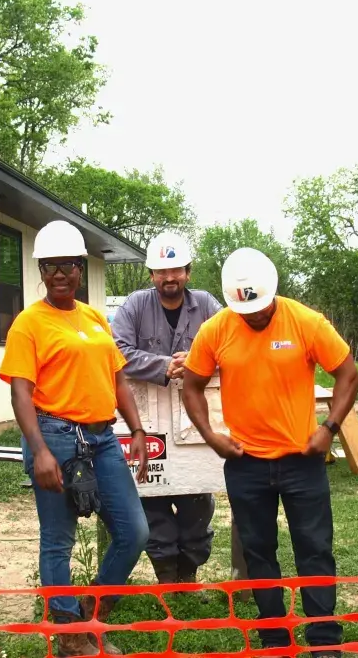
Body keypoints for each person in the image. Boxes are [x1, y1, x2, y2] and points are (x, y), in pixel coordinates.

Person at [181, 247, 358, 657]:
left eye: (261, 309)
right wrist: (211, 435)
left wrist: (329, 428)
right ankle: (274, 639)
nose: (255, 316)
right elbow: (191, 385)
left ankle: (324, 641)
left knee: (314, 549)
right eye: (246, 311)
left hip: (303, 461)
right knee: (259, 552)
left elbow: (348, 374)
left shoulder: (306, 322)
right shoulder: (217, 329)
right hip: (246, 464)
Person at [0, 219, 150, 657]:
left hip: (102, 438)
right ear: (41, 272)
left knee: (134, 532)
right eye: (50, 266)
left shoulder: (95, 317)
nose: (60, 273)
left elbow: (118, 379)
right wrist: (40, 452)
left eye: (67, 264)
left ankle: (87, 609)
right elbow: (20, 394)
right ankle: (69, 635)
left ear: (80, 268)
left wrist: (136, 428)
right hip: (55, 435)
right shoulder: (29, 323)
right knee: (58, 540)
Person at [111, 231, 223, 586]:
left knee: (197, 500)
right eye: (162, 272)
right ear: (151, 275)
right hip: (147, 423)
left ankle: (189, 573)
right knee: (151, 498)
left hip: (195, 423)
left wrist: (197, 360)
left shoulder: (207, 305)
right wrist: (162, 365)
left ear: (188, 272)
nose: (169, 278)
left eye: (176, 270)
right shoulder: (134, 306)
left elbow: (233, 342)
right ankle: (167, 577)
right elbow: (116, 350)